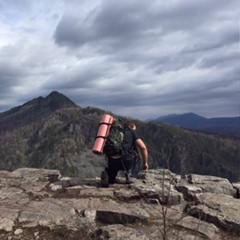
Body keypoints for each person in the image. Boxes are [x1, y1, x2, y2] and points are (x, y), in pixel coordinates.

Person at [101, 120, 148, 187]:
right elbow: (143, 148)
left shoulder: (114, 133)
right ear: (130, 127)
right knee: (135, 152)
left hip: (112, 160)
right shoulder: (131, 132)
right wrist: (145, 163)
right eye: (134, 129)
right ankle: (128, 174)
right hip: (126, 159)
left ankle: (109, 177)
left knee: (111, 179)